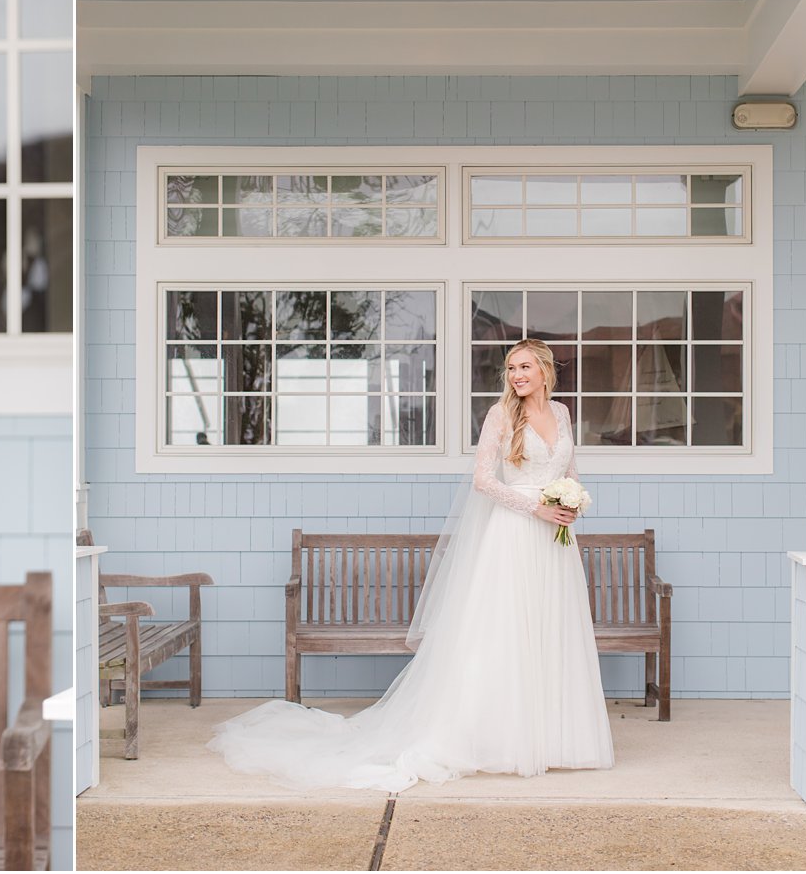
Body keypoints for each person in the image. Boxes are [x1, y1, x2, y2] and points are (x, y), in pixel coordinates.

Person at [208, 338, 614, 792]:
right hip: (515, 537)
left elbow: (570, 470)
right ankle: (498, 740)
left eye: (524, 367)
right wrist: (535, 506)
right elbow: (483, 481)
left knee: (551, 632)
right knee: (506, 635)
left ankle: (554, 740)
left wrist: (572, 503)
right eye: (510, 368)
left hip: (554, 543)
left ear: (543, 370)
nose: (516, 375)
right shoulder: (501, 416)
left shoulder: (561, 414)